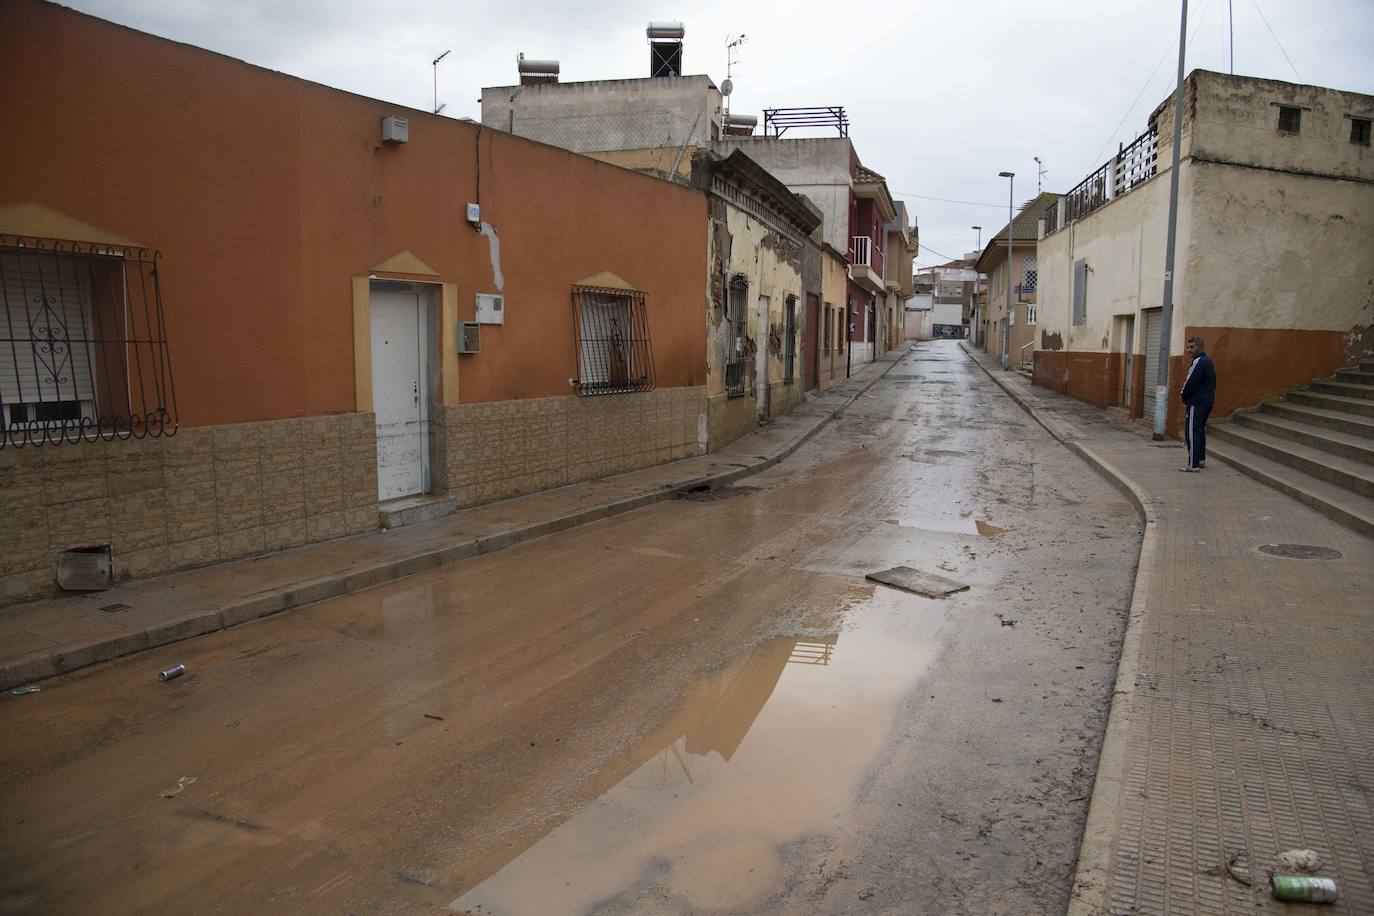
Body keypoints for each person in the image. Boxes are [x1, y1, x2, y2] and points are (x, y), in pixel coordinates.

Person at [1179, 336, 1216, 472]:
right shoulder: (1207, 362)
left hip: (1197, 402)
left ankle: (1193, 464)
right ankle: (1200, 459)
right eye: (1188, 347)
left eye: (1192, 347)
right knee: (1199, 431)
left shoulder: (1199, 362)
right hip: (1207, 401)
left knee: (1192, 432)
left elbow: (1189, 383)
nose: (1188, 350)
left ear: (1200, 347)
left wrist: (1184, 396)